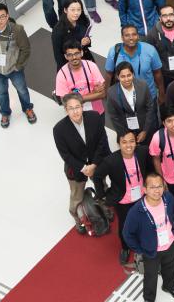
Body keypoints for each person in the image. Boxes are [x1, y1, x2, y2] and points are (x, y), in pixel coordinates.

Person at [123, 172, 174, 302]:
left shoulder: (168, 198)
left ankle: (169, 286)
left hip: (171, 243)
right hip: (151, 251)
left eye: (159, 186)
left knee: (171, 266)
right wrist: (140, 249)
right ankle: (149, 299)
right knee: (150, 276)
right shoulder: (136, 211)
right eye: (152, 187)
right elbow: (127, 234)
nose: (157, 190)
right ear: (144, 189)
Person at [52, 93, 110, 231]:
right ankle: (77, 217)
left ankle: (103, 205)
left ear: (82, 107)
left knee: (102, 186)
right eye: (71, 108)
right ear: (66, 110)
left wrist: (94, 164)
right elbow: (65, 155)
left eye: (77, 107)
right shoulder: (59, 130)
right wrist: (84, 168)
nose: (75, 111)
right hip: (76, 168)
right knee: (76, 196)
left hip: (97, 162)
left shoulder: (95, 117)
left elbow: (102, 141)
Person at [95, 130, 151, 264]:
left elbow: (149, 169)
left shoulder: (143, 152)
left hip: (142, 196)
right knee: (125, 226)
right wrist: (103, 194)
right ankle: (125, 248)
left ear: (136, 142)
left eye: (131, 141)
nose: (128, 145)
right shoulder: (111, 161)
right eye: (124, 142)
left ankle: (144, 243)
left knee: (144, 222)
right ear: (119, 144)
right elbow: (97, 176)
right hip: (123, 200)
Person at [106, 24, 165, 101]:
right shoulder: (114, 52)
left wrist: (161, 93)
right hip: (124, 98)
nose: (131, 38)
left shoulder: (150, 50)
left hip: (148, 97)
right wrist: (107, 93)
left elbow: (157, 73)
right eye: (127, 35)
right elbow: (108, 74)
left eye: (134, 34)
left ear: (138, 36)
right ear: (122, 38)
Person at [106, 62, 159, 143]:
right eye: (123, 76)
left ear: (133, 74)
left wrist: (145, 131)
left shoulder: (143, 85)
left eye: (129, 75)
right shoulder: (111, 92)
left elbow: (150, 108)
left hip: (145, 128)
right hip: (125, 130)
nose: (126, 79)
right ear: (117, 77)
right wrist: (127, 135)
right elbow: (113, 117)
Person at [54, 39, 107, 114]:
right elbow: (65, 101)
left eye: (77, 53)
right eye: (70, 55)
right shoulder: (61, 74)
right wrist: (94, 92)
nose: (74, 57)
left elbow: (103, 94)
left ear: (81, 53)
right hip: (76, 114)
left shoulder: (91, 66)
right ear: (66, 56)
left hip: (97, 110)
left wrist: (75, 98)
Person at [50, 0, 92, 70]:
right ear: (65, 10)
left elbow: (86, 37)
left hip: (85, 58)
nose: (76, 13)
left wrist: (88, 41)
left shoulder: (83, 21)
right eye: (72, 10)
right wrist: (67, 71)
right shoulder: (58, 30)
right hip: (69, 64)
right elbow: (58, 56)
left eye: (79, 10)